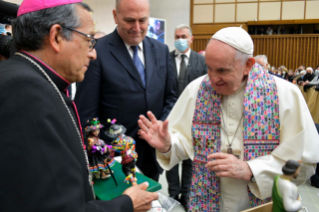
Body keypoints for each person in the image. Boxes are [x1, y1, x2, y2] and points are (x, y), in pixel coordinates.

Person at [138, 27, 319, 211]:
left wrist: (252, 170)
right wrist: (168, 145)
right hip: (207, 202)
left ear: (248, 64)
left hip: (262, 204)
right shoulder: (197, 89)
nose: (213, 79)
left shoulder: (285, 94)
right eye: (209, 68)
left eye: (223, 70)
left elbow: (305, 163)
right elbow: (184, 142)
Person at [0, 0, 158, 211]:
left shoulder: (34, 81)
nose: (93, 54)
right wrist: (126, 204)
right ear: (56, 36)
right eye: (89, 40)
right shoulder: (25, 91)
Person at [74, 0, 177, 182]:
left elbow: (171, 97)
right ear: (116, 16)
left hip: (152, 156)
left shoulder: (161, 50)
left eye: (142, 20)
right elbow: (86, 113)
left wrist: (160, 125)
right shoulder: (98, 51)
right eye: (130, 20)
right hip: (114, 161)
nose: (137, 28)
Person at [166, 24, 207, 208]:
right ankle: (173, 193)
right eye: (177, 36)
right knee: (171, 156)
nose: (179, 39)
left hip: (194, 117)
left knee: (191, 157)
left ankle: (187, 194)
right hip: (171, 117)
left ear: (191, 39)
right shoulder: (166, 59)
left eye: (183, 36)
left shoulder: (201, 61)